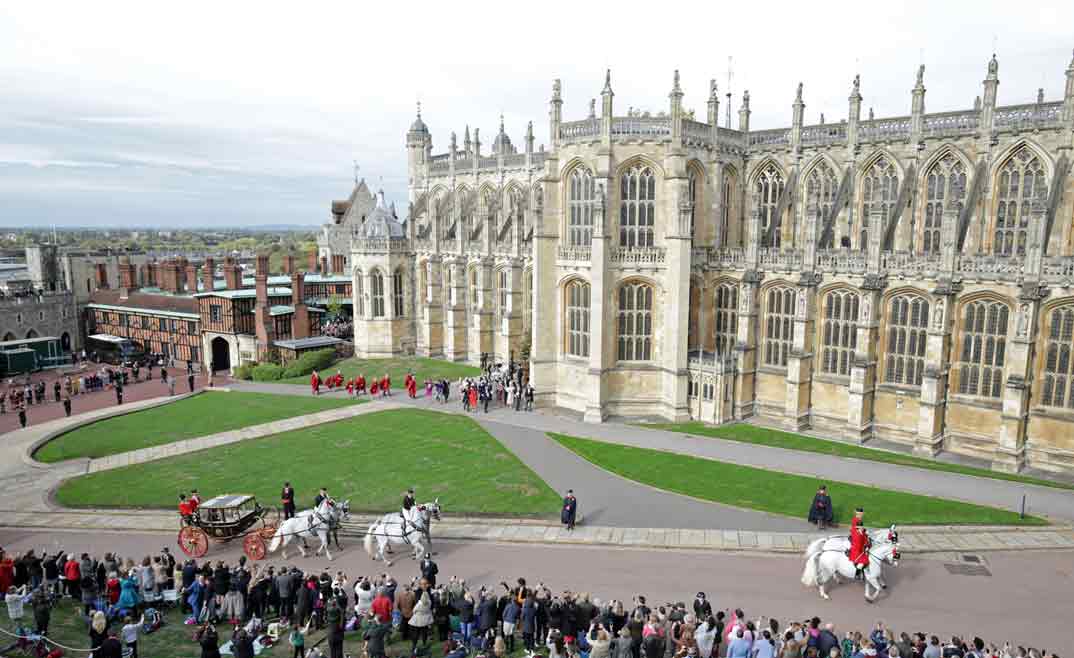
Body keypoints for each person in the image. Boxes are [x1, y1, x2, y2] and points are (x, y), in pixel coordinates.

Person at [848, 507, 871, 581]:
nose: (861, 515)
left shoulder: (859, 520)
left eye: (861, 514)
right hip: (857, 548)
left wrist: (864, 531)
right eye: (859, 514)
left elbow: (860, 528)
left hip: (859, 536)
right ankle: (857, 574)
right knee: (864, 560)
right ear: (857, 513)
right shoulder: (855, 520)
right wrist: (865, 547)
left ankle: (862, 572)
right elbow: (855, 529)